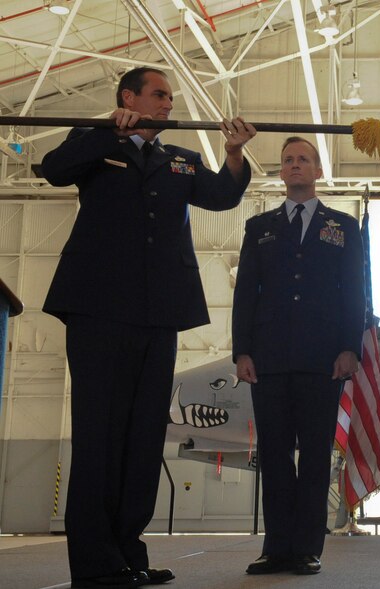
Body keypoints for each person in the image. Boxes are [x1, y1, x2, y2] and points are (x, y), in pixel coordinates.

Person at [41, 66, 256, 588]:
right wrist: (105, 131)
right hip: (98, 310)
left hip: (160, 312)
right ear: (128, 97)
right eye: (159, 94)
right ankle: (95, 564)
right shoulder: (94, 142)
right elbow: (52, 168)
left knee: (141, 438)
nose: (167, 103)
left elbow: (223, 195)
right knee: (99, 435)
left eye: (169, 97)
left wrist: (233, 154)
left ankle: (128, 554)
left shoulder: (179, 160)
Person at [232, 136, 365, 576]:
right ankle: (276, 548)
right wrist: (242, 350)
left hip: (323, 358)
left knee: (313, 455)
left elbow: (355, 293)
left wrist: (349, 347)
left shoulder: (344, 226)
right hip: (268, 357)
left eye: (303, 159)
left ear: (317, 171)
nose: (294, 166)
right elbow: (246, 293)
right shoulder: (261, 226)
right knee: (273, 454)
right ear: (281, 171)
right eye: (288, 160)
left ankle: (307, 546)